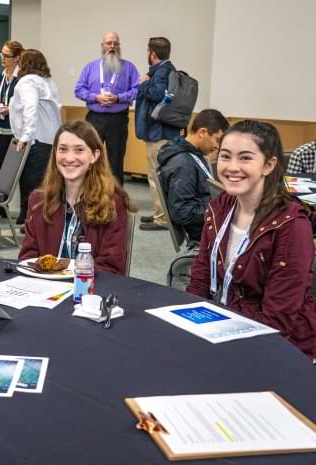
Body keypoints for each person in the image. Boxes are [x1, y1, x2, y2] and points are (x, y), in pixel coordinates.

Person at [187, 120, 316, 358]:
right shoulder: (220, 206)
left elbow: (278, 320)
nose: (231, 167)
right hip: (223, 326)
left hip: (280, 348)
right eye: (225, 156)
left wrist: (221, 336)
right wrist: (189, 322)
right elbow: (202, 274)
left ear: (268, 165)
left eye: (245, 158)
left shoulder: (292, 225)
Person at [19, 120, 135, 274]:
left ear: (94, 156)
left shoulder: (112, 203)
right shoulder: (38, 201)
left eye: (79, 150)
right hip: (44, 288)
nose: (69, 158)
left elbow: (111, 267)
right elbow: (28, 257)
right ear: (55, 154)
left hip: (88, 290)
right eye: (63, 149)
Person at [74, 32, 139, 186]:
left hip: (118, 120)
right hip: (94, 118)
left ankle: (117, 200)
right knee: (89, 158)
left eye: (115, 43)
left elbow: (137, 90)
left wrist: (119, 98)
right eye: (109, 43)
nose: (112, 46)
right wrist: (96, 97)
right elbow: (78, 90)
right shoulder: (90, 67)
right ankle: (87, 194)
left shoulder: (129, 68)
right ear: (102, 45)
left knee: (116, 161)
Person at [157, 109, 229, 242]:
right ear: (202, 133)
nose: (218, 147)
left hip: (210, 223)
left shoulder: (194, 154)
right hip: (205, 232)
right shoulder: (183, 163)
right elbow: (181, 212)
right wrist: (220, 208)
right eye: (217, 140)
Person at [9, 48, 62, 225]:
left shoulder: (27, 82)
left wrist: (25, 136)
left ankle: (31, 222)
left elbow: (30, 108)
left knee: (31, 184)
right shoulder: (47, 82)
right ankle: (29, 217)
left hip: (35, 140)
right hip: (50, 139)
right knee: (42, 183)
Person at [135, 37, 180, 231]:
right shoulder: (169, 69)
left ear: (152, 53)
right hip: (164, 131)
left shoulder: (161, 71)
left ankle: (161, 218)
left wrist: (144, 83)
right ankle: (159, 213)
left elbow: (156, 94)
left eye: (148, 51)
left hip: (158, 133)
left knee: (155, 176)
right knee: (159, 175)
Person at [0, 40, 23, 169]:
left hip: (15, 131)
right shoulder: (0, 77)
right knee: (3, 167)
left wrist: (11, 109)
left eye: (7, 56)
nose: (3, 58)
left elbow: (26, 105)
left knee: (14, 169)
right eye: (2, 54)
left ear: (16, 58)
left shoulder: (22, 79)